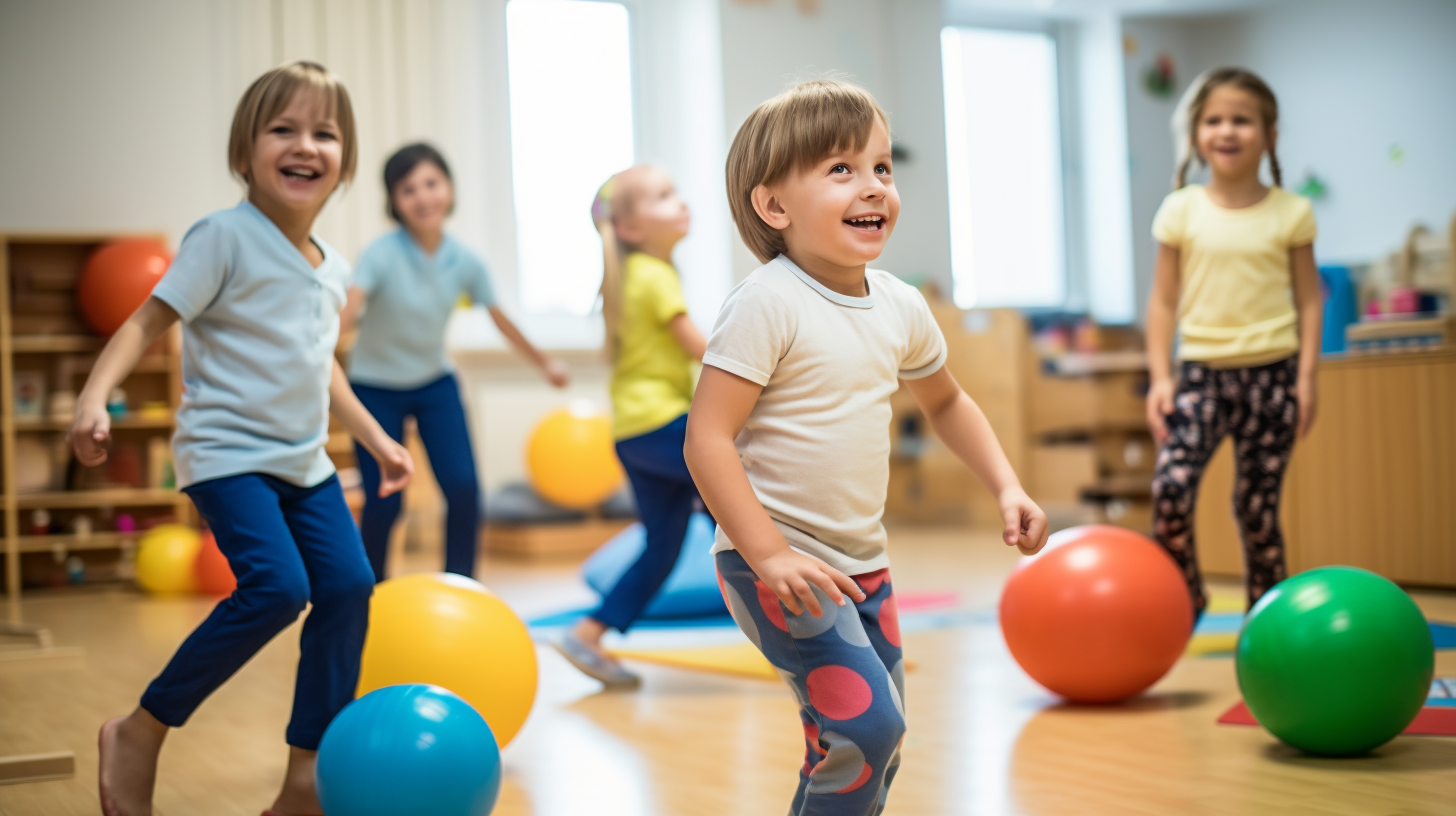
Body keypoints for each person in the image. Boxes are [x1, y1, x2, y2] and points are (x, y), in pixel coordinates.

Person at [685, 79, 1049, 816]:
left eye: (882, 168)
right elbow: (707, 439)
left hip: (863, 564)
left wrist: (1007, 485)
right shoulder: (768, 301)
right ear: (774, 206)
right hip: (776, 564)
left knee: (868, 740)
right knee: (866, 728)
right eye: (841, 170)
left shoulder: (900, 305)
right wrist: (770, 554)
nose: (874, 187)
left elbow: (946, 401)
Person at [70, 62, 413, 816]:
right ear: (244, 152)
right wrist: (95, 395)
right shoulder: (222, 237)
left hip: (304, 461)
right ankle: (141, 730)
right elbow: (144, 322)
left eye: (324, 132)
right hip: (227, 454)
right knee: (277, 588)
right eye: (282, 129)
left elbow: (321, 368)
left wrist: (376, 440)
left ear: (343, 161)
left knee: (351, 587)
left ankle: (301, 782)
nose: (305, 145)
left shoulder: (332, 270)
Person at [340, 143, 568, 582]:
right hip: (373, 387)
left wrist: (545, 365)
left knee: (464, 489)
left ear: (448, 188)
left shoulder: (465, 260)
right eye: (408, 189)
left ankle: (460, 587)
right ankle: (369, 595)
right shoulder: (381, 253)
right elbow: (348, 310)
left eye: (431, 183)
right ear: (394, 201)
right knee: (385, 500)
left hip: (433, 384)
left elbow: (502, 320)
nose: (423, 196)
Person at [1146, 68, 1322, 620]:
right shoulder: (1181, 209)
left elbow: (1310, 299)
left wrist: (1307, 379)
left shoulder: (1291, 212)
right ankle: (1185, 597)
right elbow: (1162, 302)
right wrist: (1160, 377)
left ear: (1269, 134)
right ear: (1197, 133)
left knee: (1256, 509)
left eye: (1242, 120)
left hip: (1273, 374)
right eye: (1214, 119)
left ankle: (1268, 619)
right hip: (1200, 374)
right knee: (1171, 488)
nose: (1227, 130)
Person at [554, 165, 711, 688]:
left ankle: (588, 633)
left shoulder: (637, 276)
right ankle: (791, 628)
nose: (680, 201)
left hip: (634, 433)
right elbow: (700, 348)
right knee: (737, 509)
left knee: (663, 546)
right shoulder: (653, 275)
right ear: (630, 229)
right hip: (665, 423)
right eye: (664, 196)